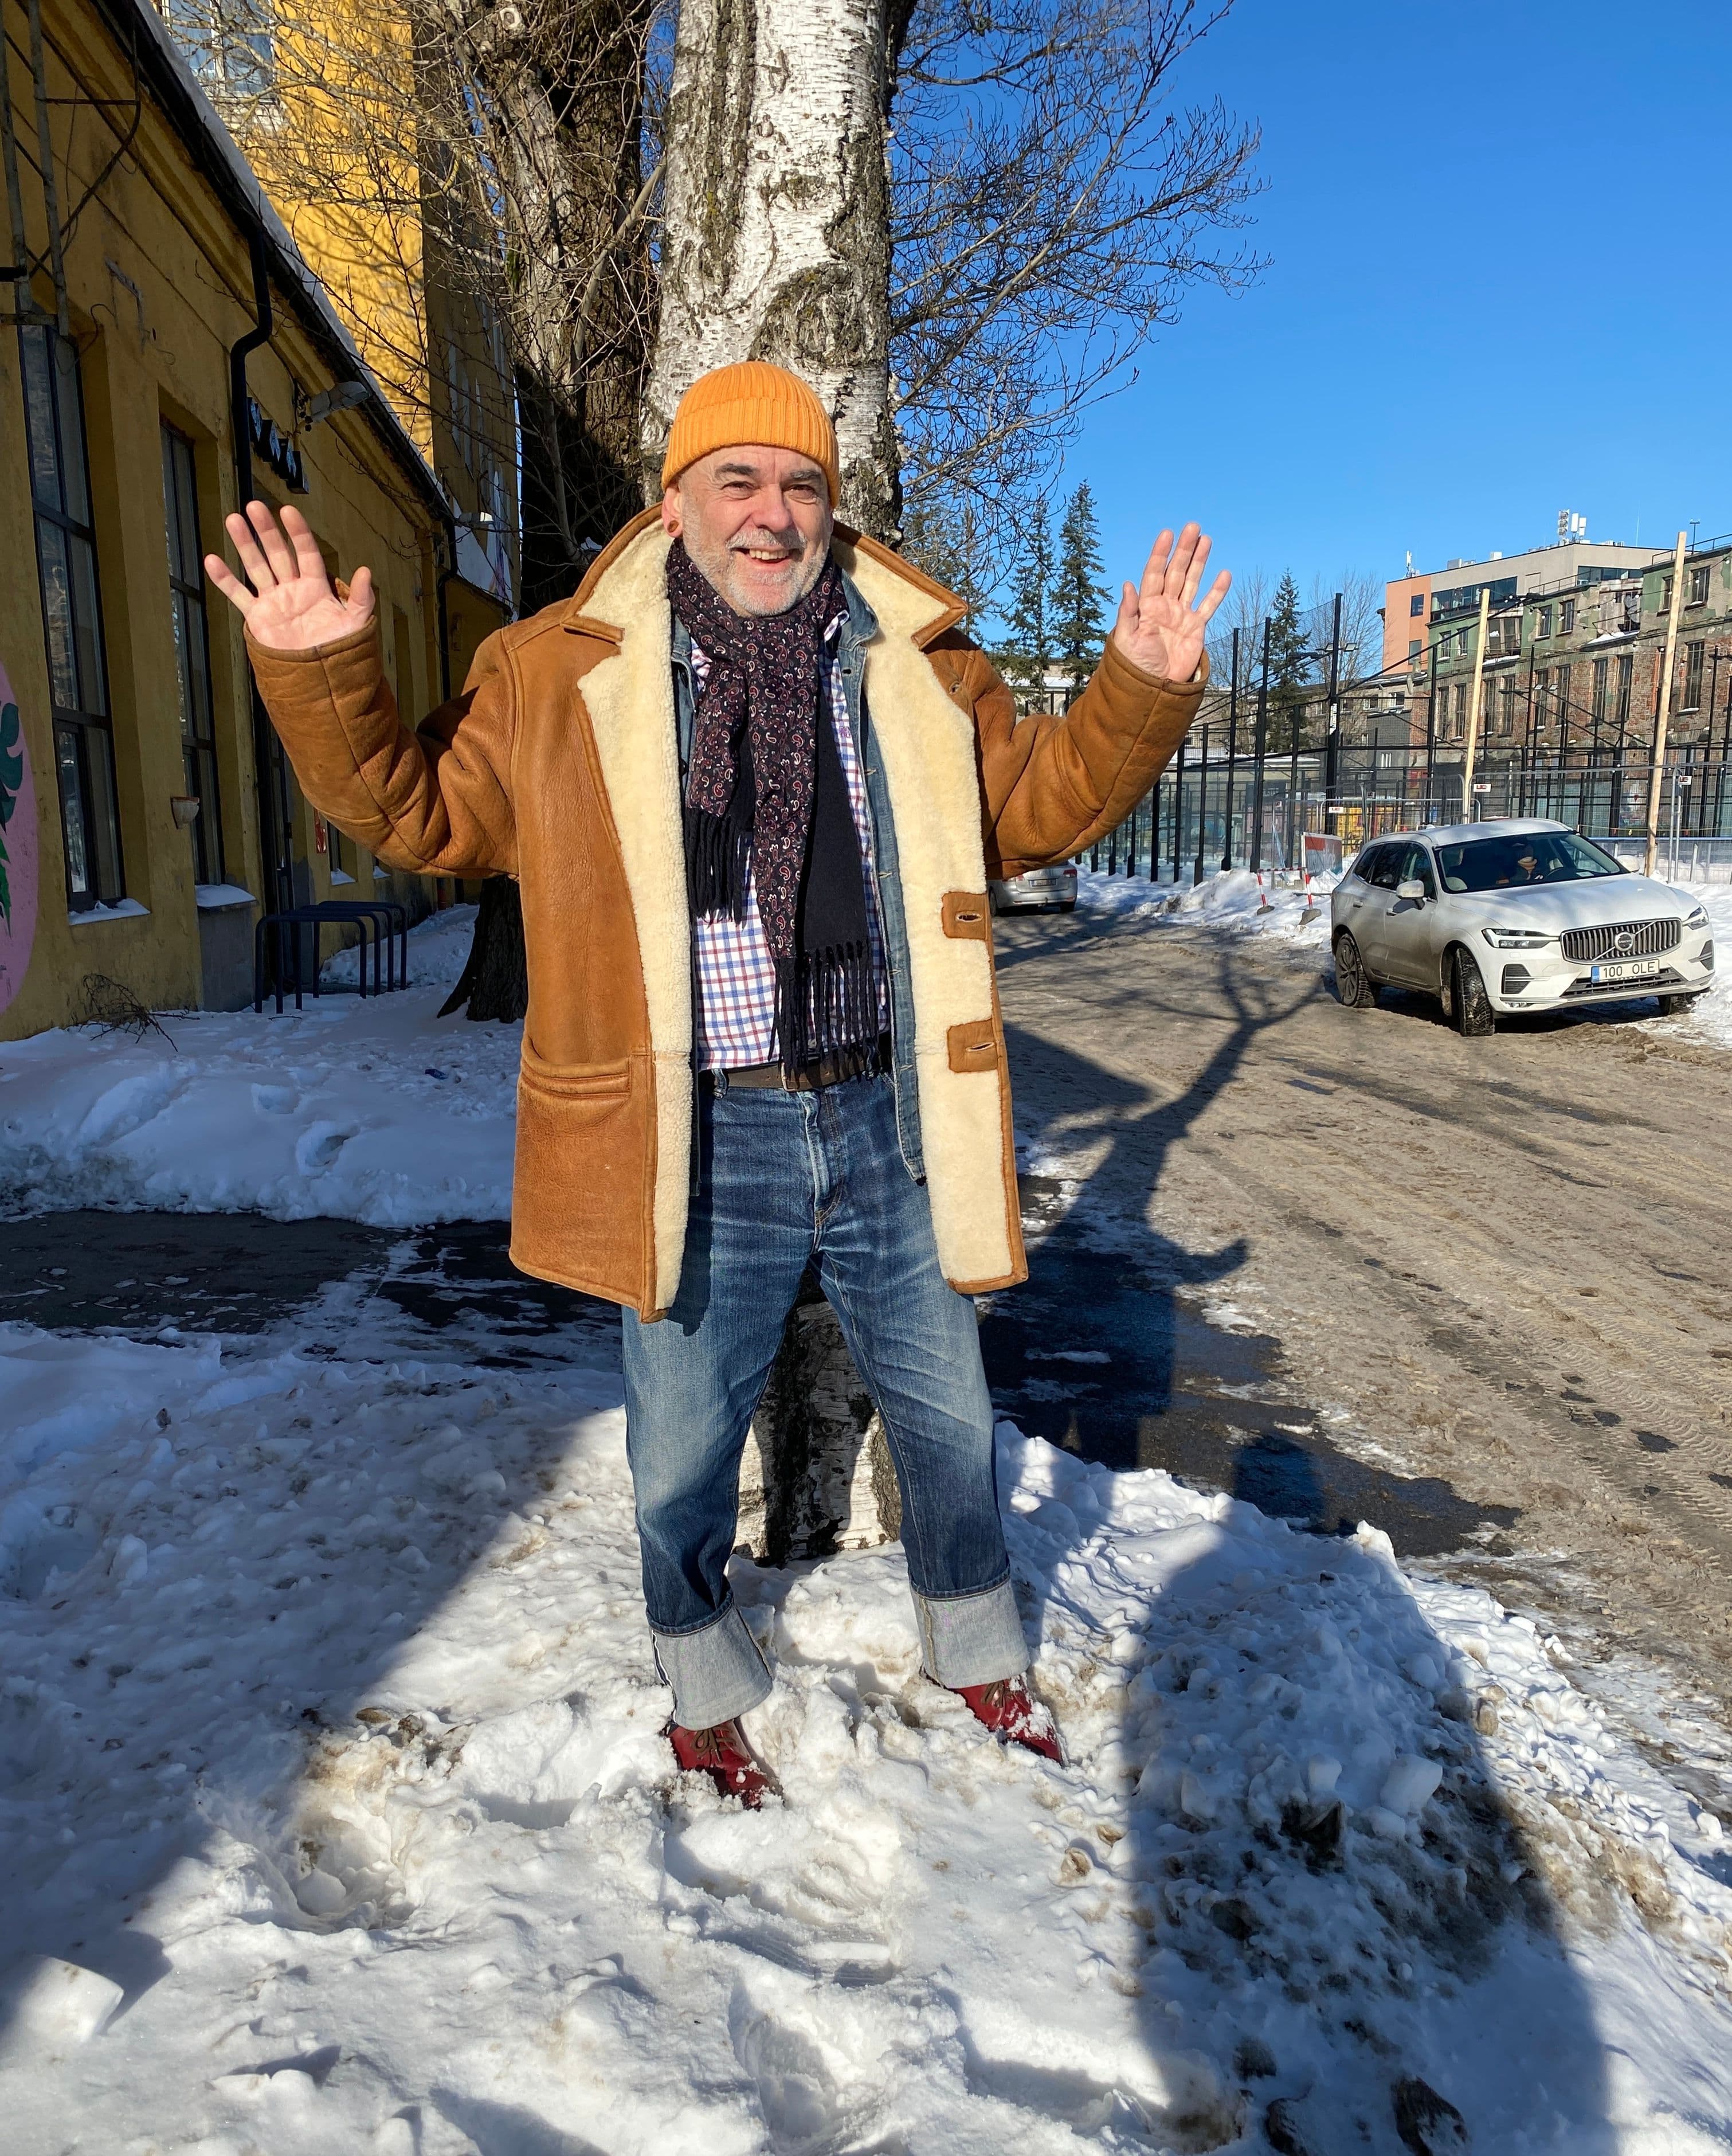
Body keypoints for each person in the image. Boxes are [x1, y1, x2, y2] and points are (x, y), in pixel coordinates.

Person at [209, 360, 1229, 1805]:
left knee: (949, 1420)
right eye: (736, 480)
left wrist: (1140, 689)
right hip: (696, 1129)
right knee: (681, 1446)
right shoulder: (558, 671)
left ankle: (976, 1651)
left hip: (889, 1116)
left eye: (802, 485)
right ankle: (700, 1687)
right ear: (674, 500)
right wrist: (324, 676)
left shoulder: (916, 663)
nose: (772, 513)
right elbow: (422, 814)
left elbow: (1032, 811)